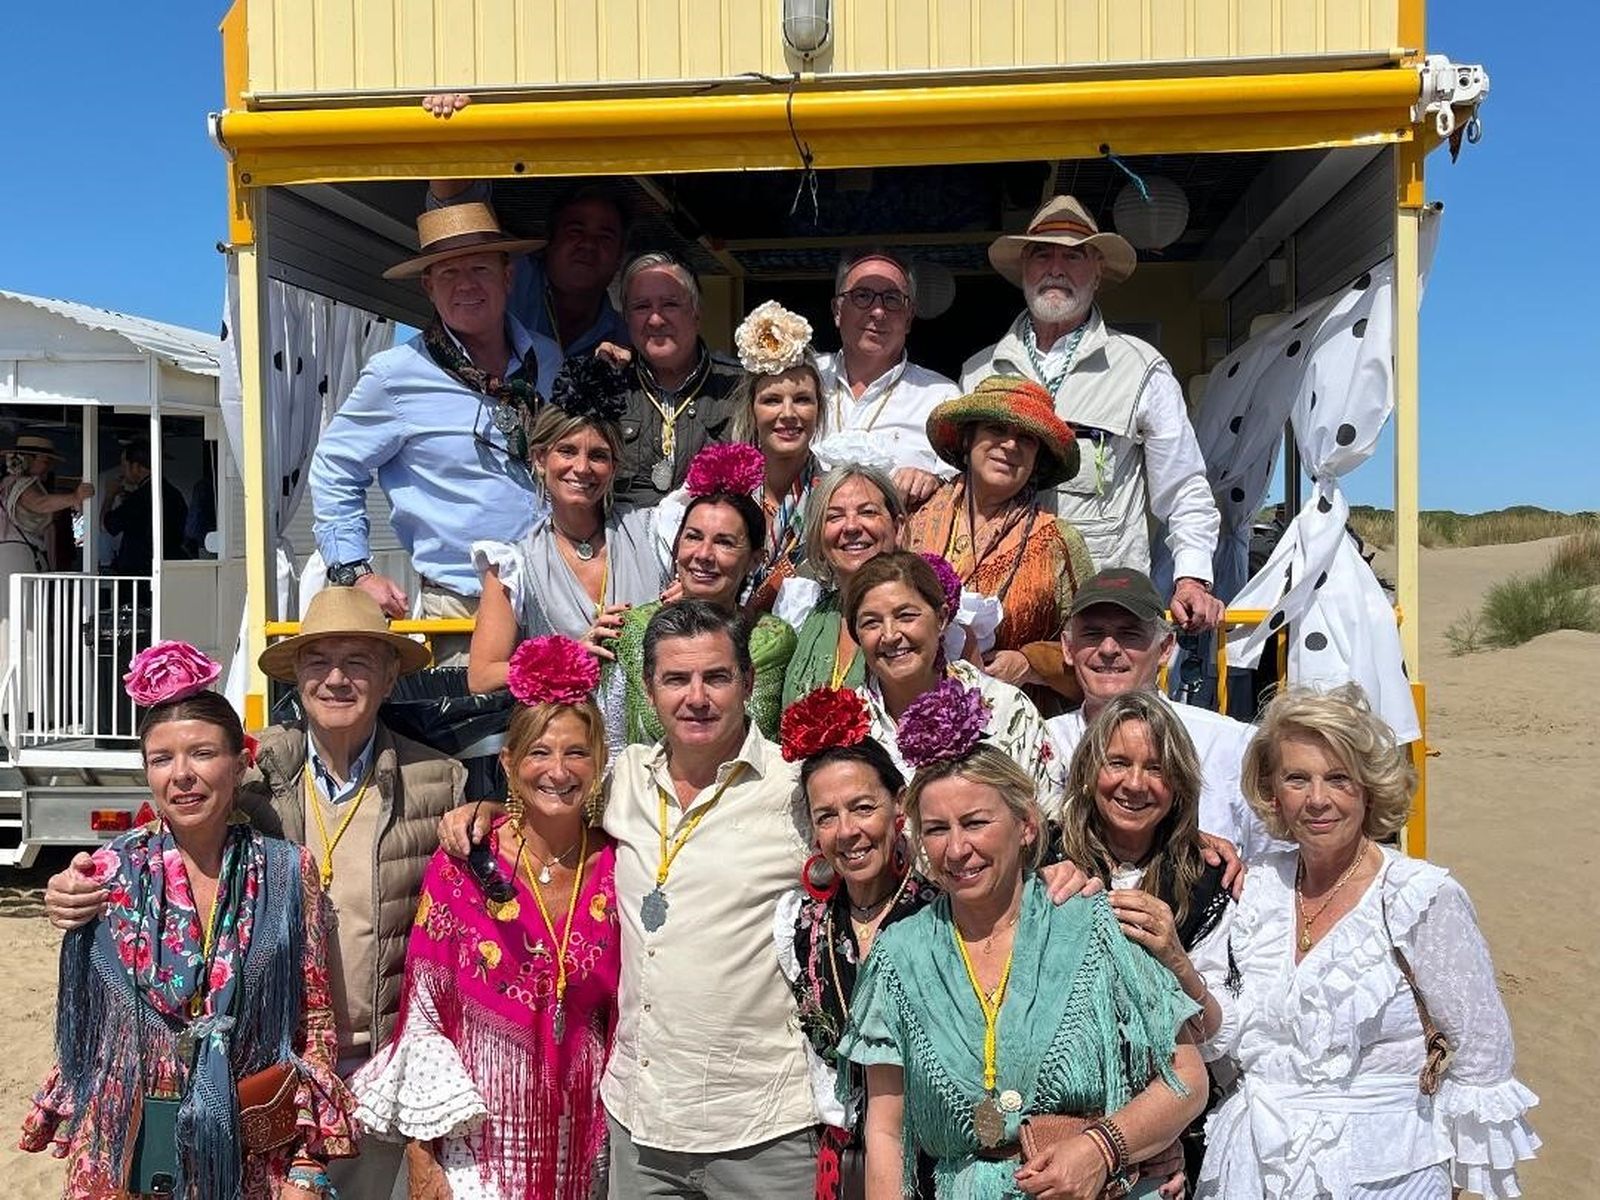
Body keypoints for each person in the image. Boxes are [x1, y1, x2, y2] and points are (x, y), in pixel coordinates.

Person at [45, 587, 465, 1200]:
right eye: (319, 661)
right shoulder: (256, 769)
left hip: (369, 1065)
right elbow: (173, 813)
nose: (337, 679)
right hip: (211, 1093)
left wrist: (485, 814)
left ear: (391, 672)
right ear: (295, 676)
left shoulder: (440, 782)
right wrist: (70, 887)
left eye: (359, 661)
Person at [837, 689, 1208, 1199]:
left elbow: (1186, 1077)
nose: (958, 848)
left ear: (1027, 825)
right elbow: (885, 1128)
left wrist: (1102, 1148)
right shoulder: (900, 955)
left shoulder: (1094, 924)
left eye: (976, 822)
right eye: (937, 829)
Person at [22, 643, 355, 1197]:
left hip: (250, 1147)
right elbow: (82, 1034)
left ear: (240, 761)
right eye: (161, 759)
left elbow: (314, 1020)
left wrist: (308, 1164)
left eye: (202, 753)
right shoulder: (107, 873)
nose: (182, 775)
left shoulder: (288, 872)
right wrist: (62, 895)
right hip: (125, 1145)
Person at [1193, 684, 1539, 1199]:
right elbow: (1224, 1025)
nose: (1317, 800)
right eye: (1297, 779)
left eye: (1338, 778)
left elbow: (1482, 1058)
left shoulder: (1420, 897)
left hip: (1387, 1173)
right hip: (1253, 1166)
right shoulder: (1255, 886)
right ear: (1272, 792)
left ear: (1369, 787)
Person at [352, 635, 619, 1200]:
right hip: (479, 1147)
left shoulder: (621, 864)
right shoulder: (464, 865)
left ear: (599, 764)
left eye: (576, 753)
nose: (558, 770)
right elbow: (425, 1013)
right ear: (508, 763)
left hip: (587, 1146)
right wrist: (422, 1157)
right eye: (540, 753)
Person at [310, 201, 562, 664]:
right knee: (472, 738)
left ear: (508, 277)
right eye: (448, 273)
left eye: (480, 268)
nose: (466, 284)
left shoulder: (546, 359)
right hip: (462, 614)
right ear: (428, 287)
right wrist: (355, 571)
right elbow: (334, 468)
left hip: (554, 604)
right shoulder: (395, 375)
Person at [961, 195, 1223, 633]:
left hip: (1103, 612)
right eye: (1042, 253)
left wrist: (1192, 578)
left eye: (1074, 255)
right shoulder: (978, 372)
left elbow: (1184, 488)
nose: (1056, 268)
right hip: (994, 614)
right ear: (1024, 268)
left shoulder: (1142, 368)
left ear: (1097, 270)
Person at [1059, 691, 1236, 1182]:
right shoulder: (1045, 862)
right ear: (1089, 771)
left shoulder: (1207, 881)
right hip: (1061, 1124)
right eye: (1117, 762)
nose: (1135, 784)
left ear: (1178, 783)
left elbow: (1217, 1040)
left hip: (1173, 1124)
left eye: (1155, 768)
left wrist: (1177, 960)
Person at [775, 688, 942, 1200]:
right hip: (840, 1168)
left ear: (898, 808)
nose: (848, 831)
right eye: (827, 816)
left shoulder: (942, 915)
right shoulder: (802, 925)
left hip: (938, 1164)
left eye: (862, 807)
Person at [1045, 567, 1278, 861]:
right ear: (1068, 648)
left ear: (1166, 648)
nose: (1108, 648)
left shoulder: (1231, 745)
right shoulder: (1043, 741)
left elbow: (1272, 858)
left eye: (1129, 634)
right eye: (1092, 634)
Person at [469, 354, 664, 695]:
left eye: (598, 455)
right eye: (568, 451)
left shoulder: (654, 531)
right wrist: (570, 655)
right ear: (541, 459)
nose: (582, 467)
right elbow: (482, 676)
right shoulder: (514, 564)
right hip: (566, 739)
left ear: (614, 467)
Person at [905, 374, 1095, 707]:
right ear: (967, 439)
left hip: (1016, 730)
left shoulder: (1058, 542)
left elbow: (1095, 645)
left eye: (1026, 439)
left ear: (1038, 458)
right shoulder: (913, 517)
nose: (1010, 445)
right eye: (996, 429)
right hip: (911, 711)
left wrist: (1031, 663)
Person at [844, 551, 1065, 817]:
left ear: (941, 619)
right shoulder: (846, 731)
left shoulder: (1006, 709)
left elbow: (1051, 817)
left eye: (906, 616)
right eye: (871, 623)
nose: (890, 635)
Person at [613, 444, 796, 745]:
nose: (704, 554)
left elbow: (754, 735)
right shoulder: (633, 628)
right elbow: (611, 738)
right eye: (693, 537)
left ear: (755, 559)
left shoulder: (771, 639)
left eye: (724, 542)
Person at [655, 300, 827, 616]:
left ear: (819, 410)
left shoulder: (833, 496)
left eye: (802, 400)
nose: (788, 414)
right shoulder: (722, 484)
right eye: (772, 400)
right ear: (751, 410)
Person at [423, 102, 630, 360]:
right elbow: (455, 210)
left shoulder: (627, 338)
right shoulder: (509, 274)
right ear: (549, 241)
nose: (588, 244)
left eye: (605, 236)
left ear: (620, 256)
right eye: (575, 231)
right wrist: (450, 120)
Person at [813, 249, 958, 510]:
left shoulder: (941, 396)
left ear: (909, 317)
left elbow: (963, 493)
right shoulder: (805, 378)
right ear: (837, 310)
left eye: (891, 299)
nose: (877, 311)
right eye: (863, 296)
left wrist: (934, 481)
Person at [602, 253, 743, 509]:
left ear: (696, 312)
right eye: (641, 306)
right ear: (626, 318)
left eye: (670, 304)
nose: (655, 319)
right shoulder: (607, 388)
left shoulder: (740, 390)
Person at [779, 463, 907, 705]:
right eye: (835, 516)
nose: (851, 527)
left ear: (898, 527)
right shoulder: (803, 614)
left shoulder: (929, 620)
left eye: (868, 512)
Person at [0, 433, 93, 680]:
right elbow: (39, 504)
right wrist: (74, 497)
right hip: (15, 553)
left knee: (25, 618)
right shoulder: (17, 483)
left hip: (21, 553)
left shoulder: (22, 483)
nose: (48, 466)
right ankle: (21, 691)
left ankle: (27, 691)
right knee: (20, 619)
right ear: (28, 459)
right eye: (44, 460)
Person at [102, 437, 190, 573]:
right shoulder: (174, 494)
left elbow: (107, 525)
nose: (122, 472)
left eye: (124, 466)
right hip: (170, 567)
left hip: (140, 573)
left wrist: (109, 495)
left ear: (136, 467)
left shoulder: (140, 498)